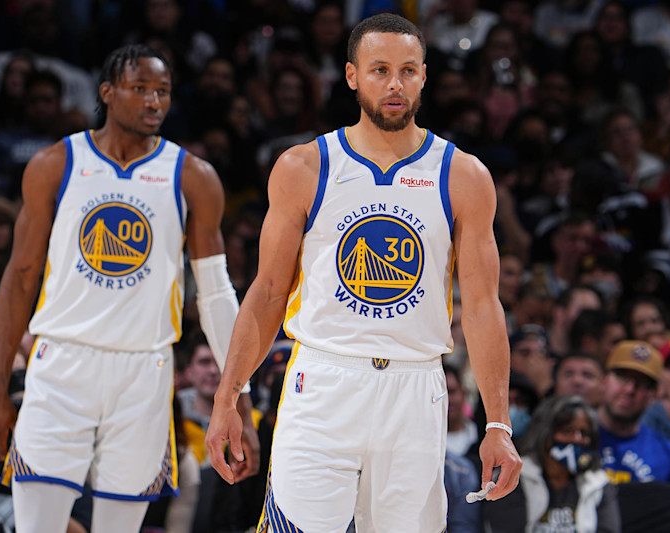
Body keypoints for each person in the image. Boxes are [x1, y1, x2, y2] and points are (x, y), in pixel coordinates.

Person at [205, 14, 521, 533]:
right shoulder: (305, 166)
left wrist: (498, 422)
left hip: (415, 388)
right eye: (379, 70)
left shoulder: (463, 175)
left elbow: (484, 307)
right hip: (324, 379)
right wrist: (227, 398)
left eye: (407, 71)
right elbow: (265, 293)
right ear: (352, 76)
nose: (394, 84)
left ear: (424, 76)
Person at [0, 44, 259, 533]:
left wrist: (239, 403)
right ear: (107, 93)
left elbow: (215, 296)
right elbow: (20, 278)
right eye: (140, 89)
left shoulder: (193, 176)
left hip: (144, 371)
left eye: (163, 92)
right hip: (60, 363)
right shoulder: (54, 164)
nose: (154, 102)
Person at [482, 395, 620, 533]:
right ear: (545, 433)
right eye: (567, 431)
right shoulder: (514, 476)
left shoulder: (597, 481)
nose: (577, 439)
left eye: (584, 433)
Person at [596, 341, 670, 484]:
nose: (630, 389)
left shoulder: (667, 455)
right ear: (603, 381)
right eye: (622, 377)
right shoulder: (574, 437)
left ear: (655, 395)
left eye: (642, 384)